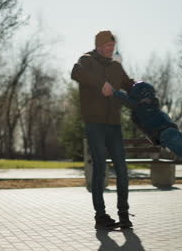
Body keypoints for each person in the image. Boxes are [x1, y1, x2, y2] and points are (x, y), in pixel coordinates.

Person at [71, 30, 135, 230]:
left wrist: (142, 89)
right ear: (99, 45)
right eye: (108, 46)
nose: (111, 49)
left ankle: (123, 214)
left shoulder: (116, 66)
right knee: (100, 168)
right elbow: (76, 73)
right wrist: (101, 84)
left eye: (113, 47)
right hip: (95, 124)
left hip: (114, 124)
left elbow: (129, 83)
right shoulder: (86, 60)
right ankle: (101, 216)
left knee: (122, 170)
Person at [113, 81, 182, 162]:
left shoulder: (144, 106)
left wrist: (113, 92)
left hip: (166, 134)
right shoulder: (149, 108)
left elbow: (127, 101)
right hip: (170, 133)